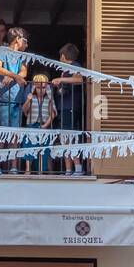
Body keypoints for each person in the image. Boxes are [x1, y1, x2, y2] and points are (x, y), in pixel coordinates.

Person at [0, 27, 30, 174]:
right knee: (2, 135)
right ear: (17, 40)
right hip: (4, 100)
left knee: (14, 136)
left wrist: (14, 75)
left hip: (17, 101)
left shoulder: (23, 56)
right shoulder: (2, 51)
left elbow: (24, 72)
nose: (26, 44)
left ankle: (13, 166)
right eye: (25, 41)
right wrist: (15, 76)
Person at [51, 43, 87, 175]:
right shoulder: (66, 69)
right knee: (64, 138)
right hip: (64, 107)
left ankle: (77, 168)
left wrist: (61, 79)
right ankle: (68, 170)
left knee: (70, 138)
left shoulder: (75, 66)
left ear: (63, 56)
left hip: (69, 107)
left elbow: (79, 79)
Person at [20, 72, 55, 175]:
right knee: (29, 147)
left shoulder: (48, 99)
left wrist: (45, 125)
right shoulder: (32, 98)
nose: (41, 90)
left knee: (44, 148)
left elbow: (52, 114)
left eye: (43, 88)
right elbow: (24, 111)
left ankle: (43, 170)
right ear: (34, 87)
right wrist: (28, 100)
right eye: (39, 88)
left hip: (44, 126)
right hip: (31, 125)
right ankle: (28, 170)